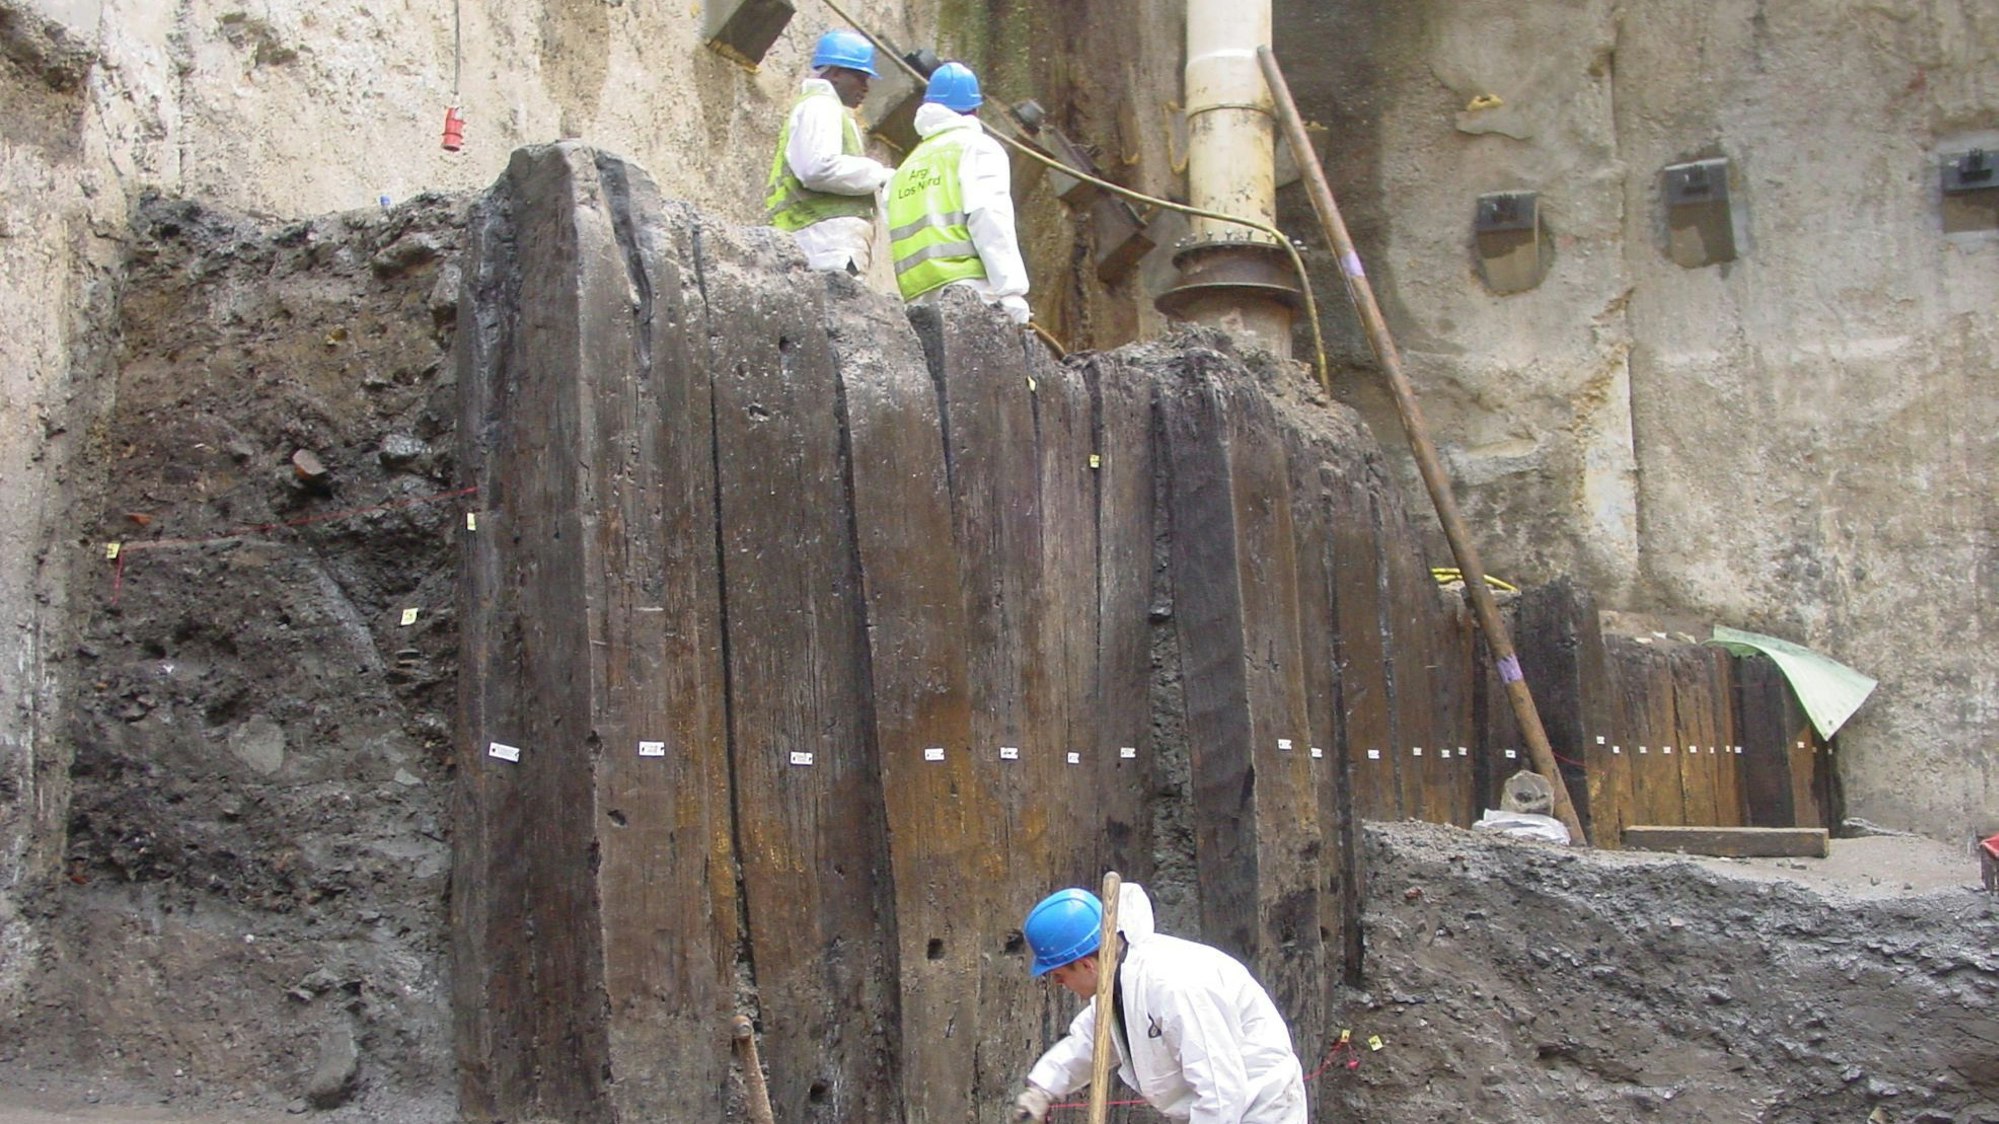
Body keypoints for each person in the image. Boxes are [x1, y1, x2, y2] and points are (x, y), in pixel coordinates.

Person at [1012, 883, 1307, 1124]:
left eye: (1060, 975)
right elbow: (1089, 1043)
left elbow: (1220, 1091)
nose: (1059, 984)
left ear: (1087, 965)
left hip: (1258, 1110)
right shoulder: (1121, 984)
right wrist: (1042, 1090)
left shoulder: (1174, 984)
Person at [886, 61, 1031, 324]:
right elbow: (989, 216)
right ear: (975, 109)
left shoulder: (905, 169)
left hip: (917, 298)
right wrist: (1010, 292)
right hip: (970, 292)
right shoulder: (977, 148)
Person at [764, 29, 894, 273]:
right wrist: (879, 174)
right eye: (860, 76)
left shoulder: (827, 109)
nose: (866, 87)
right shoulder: (820, 105)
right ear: (835, 73)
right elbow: (818, 168)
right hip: (823, 239)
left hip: (821, 238)